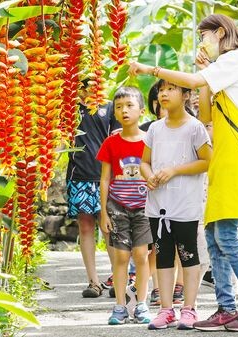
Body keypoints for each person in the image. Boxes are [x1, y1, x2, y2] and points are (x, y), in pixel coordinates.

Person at [130, 13, 238, 332]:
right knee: (211, 235)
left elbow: (194, 86)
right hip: (222, 158)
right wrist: (205, 72)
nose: (201, 43)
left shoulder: (236, 59)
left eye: (204, 36)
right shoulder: (220, 70)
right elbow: (207, 112)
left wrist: (150, 69)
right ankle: (225, 307)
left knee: (225, 236)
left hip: (237, 158)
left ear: (220, 33)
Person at [141, 80, 212, 330]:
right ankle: (165, 309)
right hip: (158, 205)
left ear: (185, 95)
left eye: (171, 89)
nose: (163, 93)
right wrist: (148, 175)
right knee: (163, 257)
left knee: (189, 256)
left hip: (185, 206)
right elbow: (144, 162)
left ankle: (189, 309)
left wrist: (174, 170)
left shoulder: (195, 128)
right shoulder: (154, 129)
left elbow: (206, 161)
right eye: (161, 89)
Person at [97, 86, 153, 325]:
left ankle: (141, 304)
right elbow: (105, 179)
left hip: (144, 208)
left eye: (129, 105)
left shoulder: (150, 141)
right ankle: (119, 306)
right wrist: (103, 213)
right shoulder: (110, 143)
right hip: (117, 207)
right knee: (120, 257)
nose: (124, 110)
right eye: (118, 107)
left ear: (141, 110)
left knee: (141, 255)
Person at [67, 85, 119, 298]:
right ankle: (93, 282)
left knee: (109, 229)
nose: (86, 88)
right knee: (86, 227)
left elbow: (118, 140)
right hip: (79, 176)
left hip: (106, 176)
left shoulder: (110, 107)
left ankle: (119, 278)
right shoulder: (68, 108)